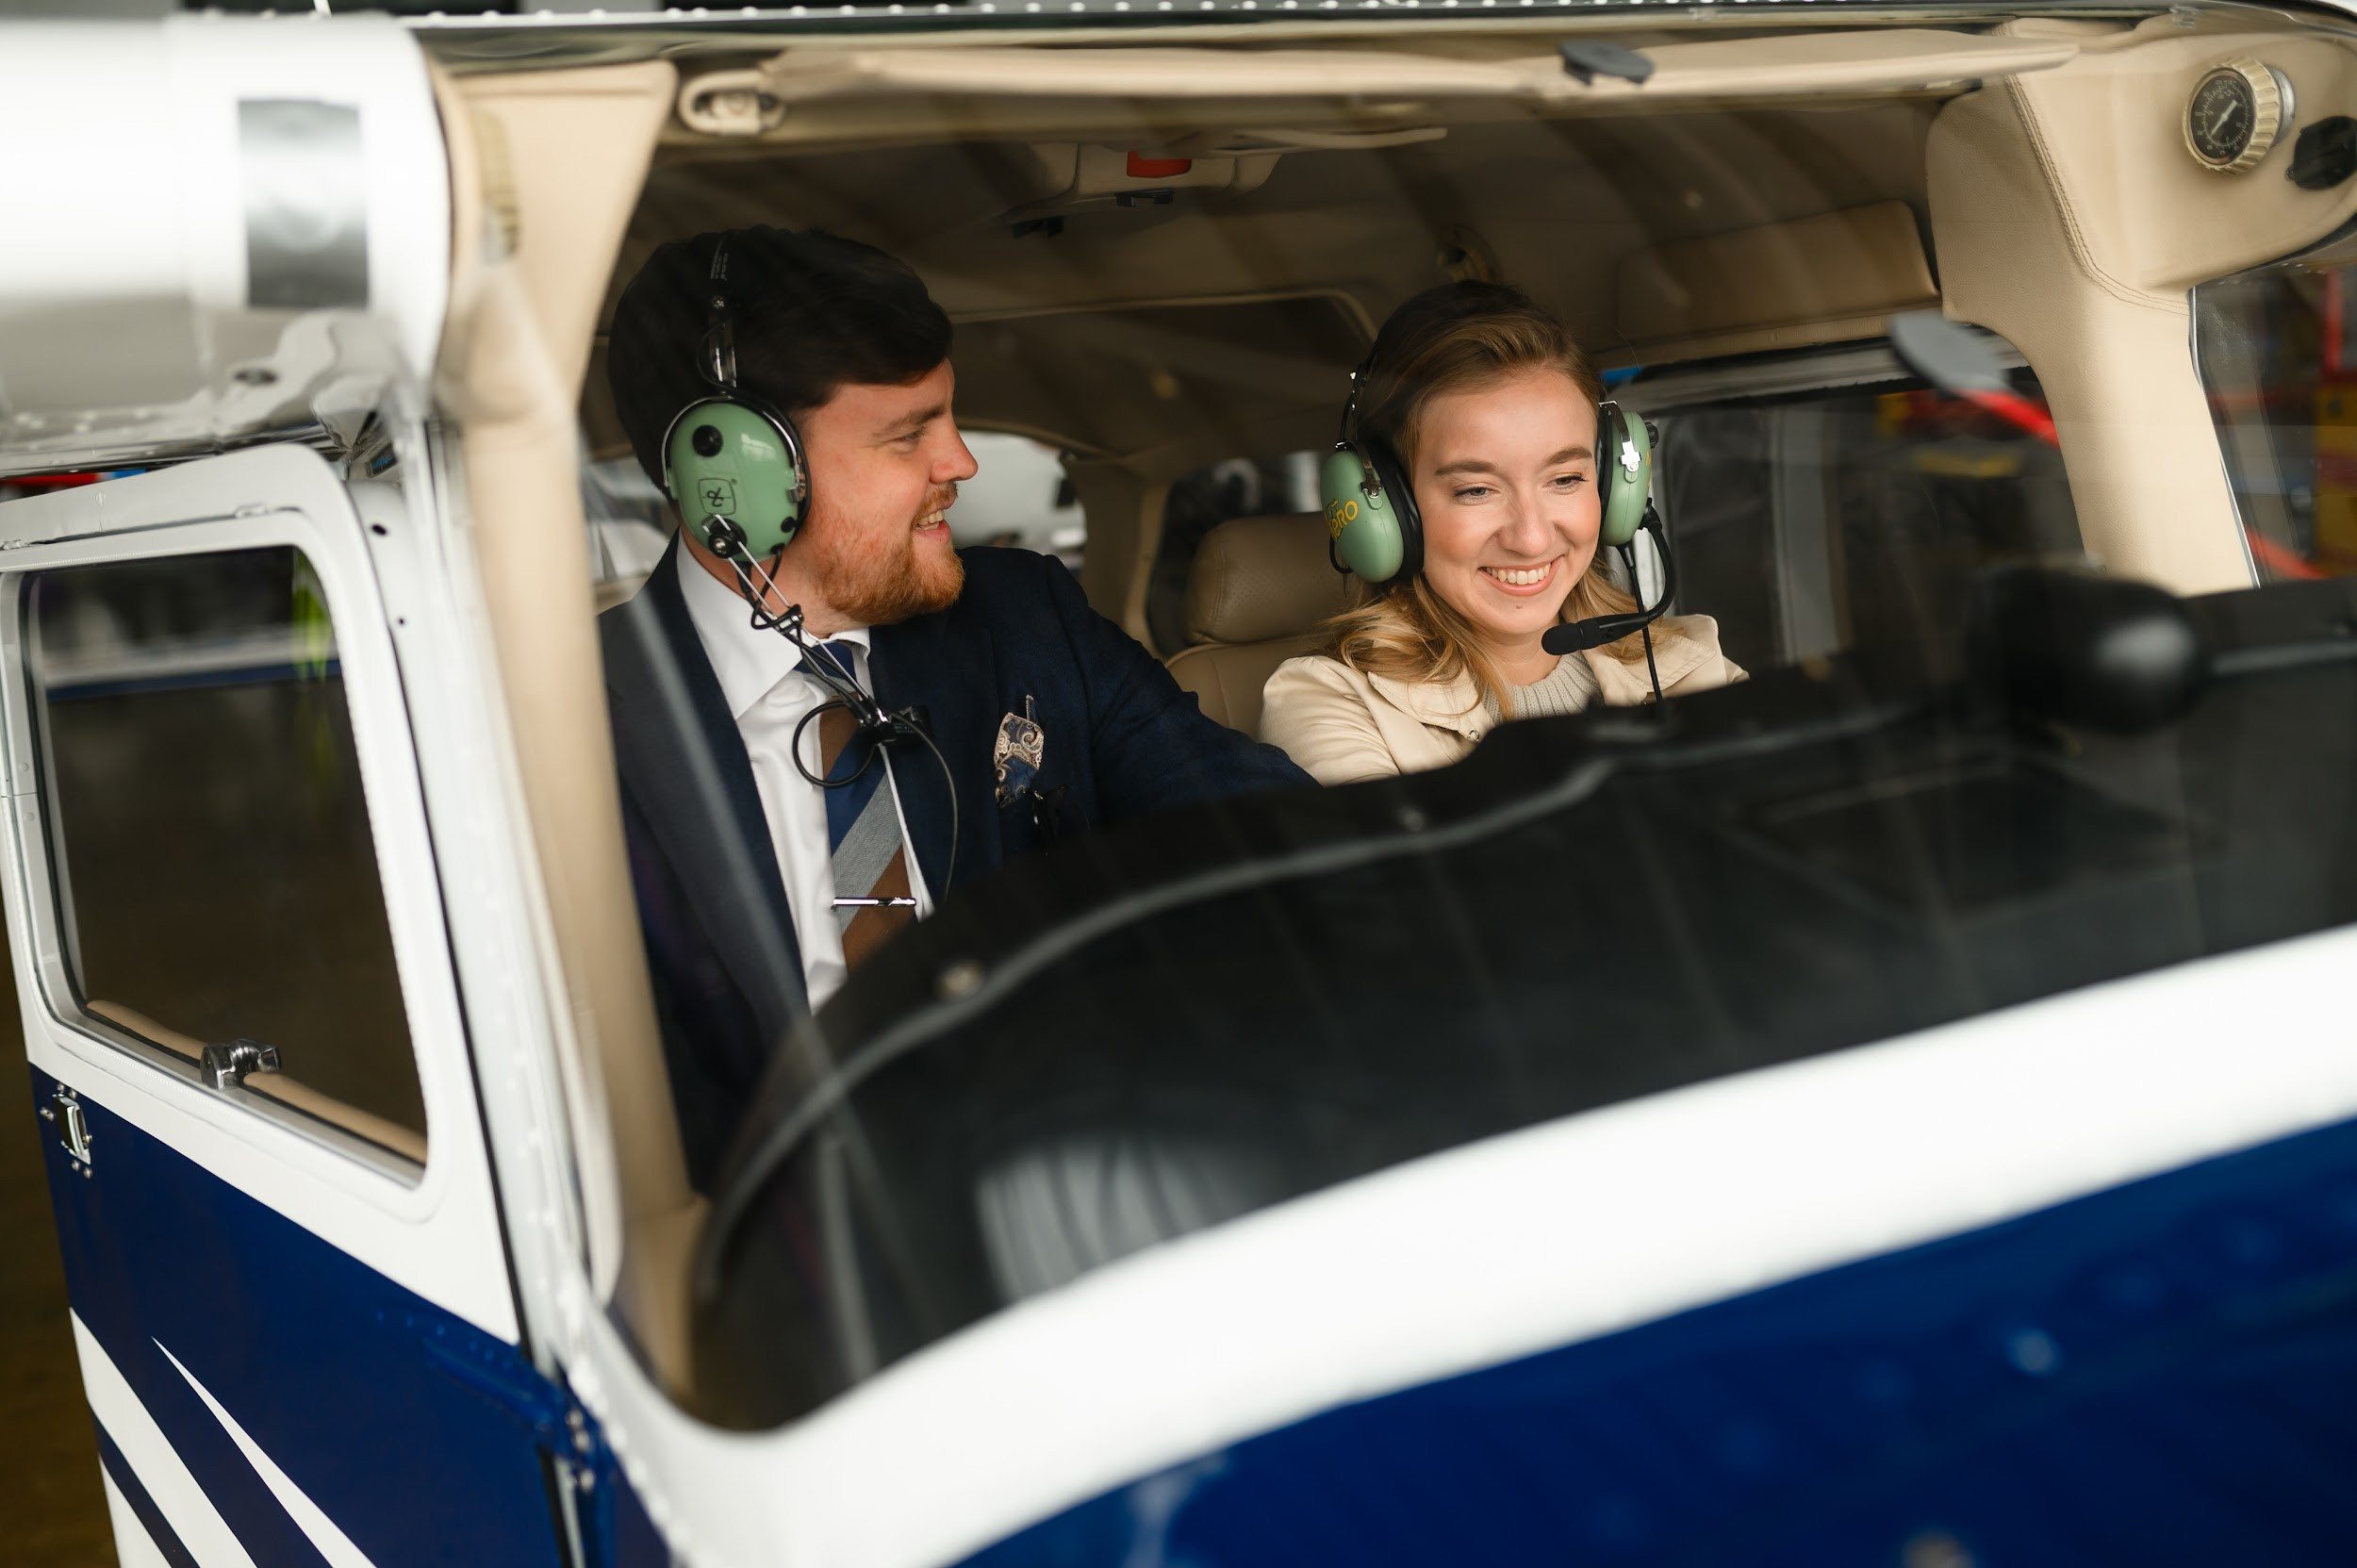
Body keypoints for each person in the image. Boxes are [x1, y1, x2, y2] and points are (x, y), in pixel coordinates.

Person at [601, 226, 1308, 1188]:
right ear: (730, 477)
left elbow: (1266, 835)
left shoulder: (1023, 619)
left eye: (951, 419)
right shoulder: (572, 731)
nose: (961, 462)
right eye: (907, 436)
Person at [1261, 284, 1743, 784]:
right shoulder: (1332, 707)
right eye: (1475, 490)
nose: (1531, 538)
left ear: (1611, 484)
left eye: (1565, 479)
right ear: (1386, 505)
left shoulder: (1687, 666)